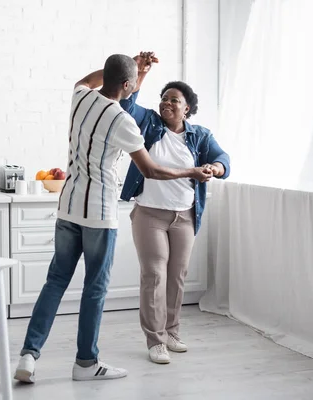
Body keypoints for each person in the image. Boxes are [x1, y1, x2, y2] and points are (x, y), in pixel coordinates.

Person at [14, 54, 213, 383]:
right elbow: (150, 169)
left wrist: (132, 67)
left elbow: (89, 80)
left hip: (68, 208)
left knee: (55, 282)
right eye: (134, 83)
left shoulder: (81, 96)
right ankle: (86, 363)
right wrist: (191, 171)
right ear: (128, 85)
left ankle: (28, 355)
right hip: (100, 216)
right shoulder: (123, 122)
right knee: (94, 289)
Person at [120, 52, 231, 364]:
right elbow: (126, 106)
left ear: (188, 109)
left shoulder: (200, 135)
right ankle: (155, 340)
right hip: (150, 214)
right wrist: (140, 73)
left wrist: (215, 168)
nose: (166, 104)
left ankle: (172, 332)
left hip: (184, 215)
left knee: (177, 276)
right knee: (154, 274)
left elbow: (223, 159)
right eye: (164, 99)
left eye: (174, 100)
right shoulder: (149, 124)